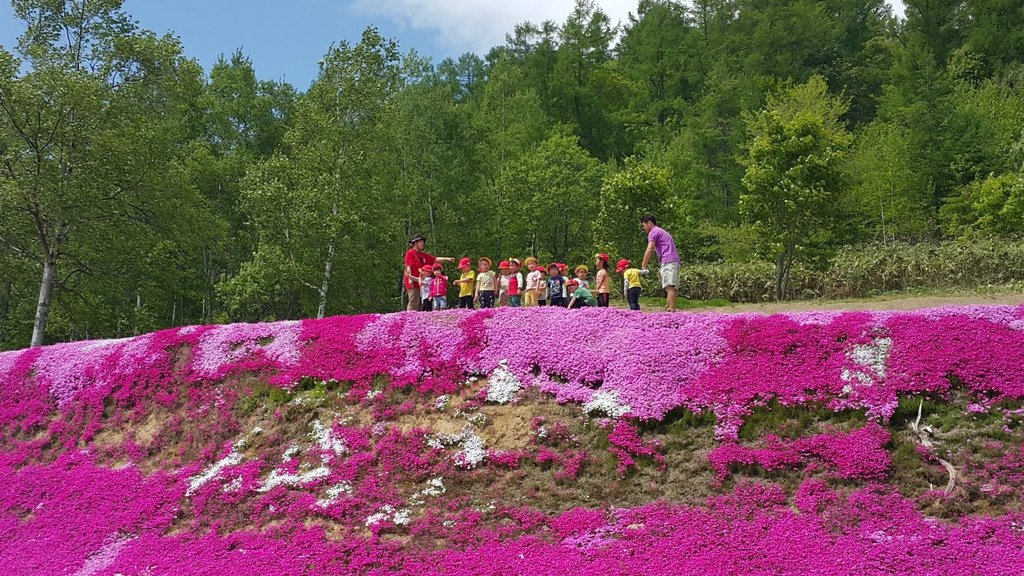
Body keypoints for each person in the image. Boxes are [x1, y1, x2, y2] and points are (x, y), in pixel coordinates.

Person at [640, 214, 680, 312]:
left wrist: (644, 265)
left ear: (649, 223)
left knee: (670, 286)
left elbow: (650, 249)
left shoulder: (654, 232)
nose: (644, 228)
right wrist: (662, 267)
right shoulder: (661, 231)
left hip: (669, 261)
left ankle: (672, 310)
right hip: (671, 261)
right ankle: (669, 308)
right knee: (670, 287)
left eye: (644, 225)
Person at [403, 235, 453, 312]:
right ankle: (409, 319)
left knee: (422, 303)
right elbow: (408, 267)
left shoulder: (423, 255)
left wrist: (446, 259)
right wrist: (410, 280)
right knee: (414, 302)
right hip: (414, 281)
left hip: (423, 283)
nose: (423, 244)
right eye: (421, 242)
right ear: (416, 243)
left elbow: (435, 259)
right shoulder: (410, 253)